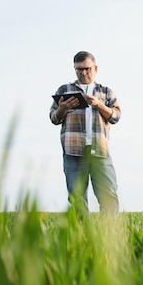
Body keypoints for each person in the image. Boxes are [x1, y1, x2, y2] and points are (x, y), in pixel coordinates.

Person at [49, 51, 121, 215]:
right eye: (79, 69)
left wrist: (99, 105)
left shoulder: (106, 92)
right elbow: (54, 118)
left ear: (95, 68)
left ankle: (108, 235)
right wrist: (62, 109)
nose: (83, 73)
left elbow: (116, 116)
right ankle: (81, 237)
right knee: (76, 198)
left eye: (87, 69)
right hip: (73, 151)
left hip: (100, 151)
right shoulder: (64, 90)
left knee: (108, 194)